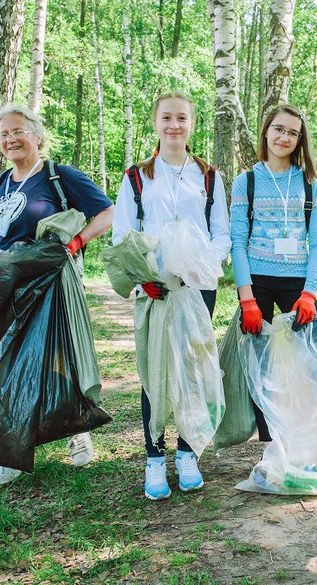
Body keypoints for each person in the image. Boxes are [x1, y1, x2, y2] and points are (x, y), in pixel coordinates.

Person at [0, 103, 114, 497]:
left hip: (48, 281)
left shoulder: (57, 176)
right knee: (0, 369)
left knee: (57, 358)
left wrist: (78, 240)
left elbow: (108, 212)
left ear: (37, 135)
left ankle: (78, 431)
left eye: (17, 131)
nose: (10, 139)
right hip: (3, 285)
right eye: (3, 134)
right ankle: (8, 459)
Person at [111, 91, 231, 500]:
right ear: (155, 122)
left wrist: (205, 265)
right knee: (156, 371)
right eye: (166, 117)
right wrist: (143, 278)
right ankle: (154, 458)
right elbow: (124, 233)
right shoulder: (136, 177)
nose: (174, 125)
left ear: (191, 123)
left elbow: (222, 232)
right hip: (156, 288)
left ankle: (187, 453)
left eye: (181, 118)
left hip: (198, 288)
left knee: (193, 372)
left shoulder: (208, 176)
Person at [230, 103, 317, 443]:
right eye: (278, 129)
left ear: (300, 139)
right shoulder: (245, 182)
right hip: (256, 284)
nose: (284, 137)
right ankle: (271, 447)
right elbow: (237, 242)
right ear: (266, 131)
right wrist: (247, 300)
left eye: (292, 132)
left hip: (298, 283)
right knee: (261, 367)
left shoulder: (308, 183)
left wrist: (310, 293)